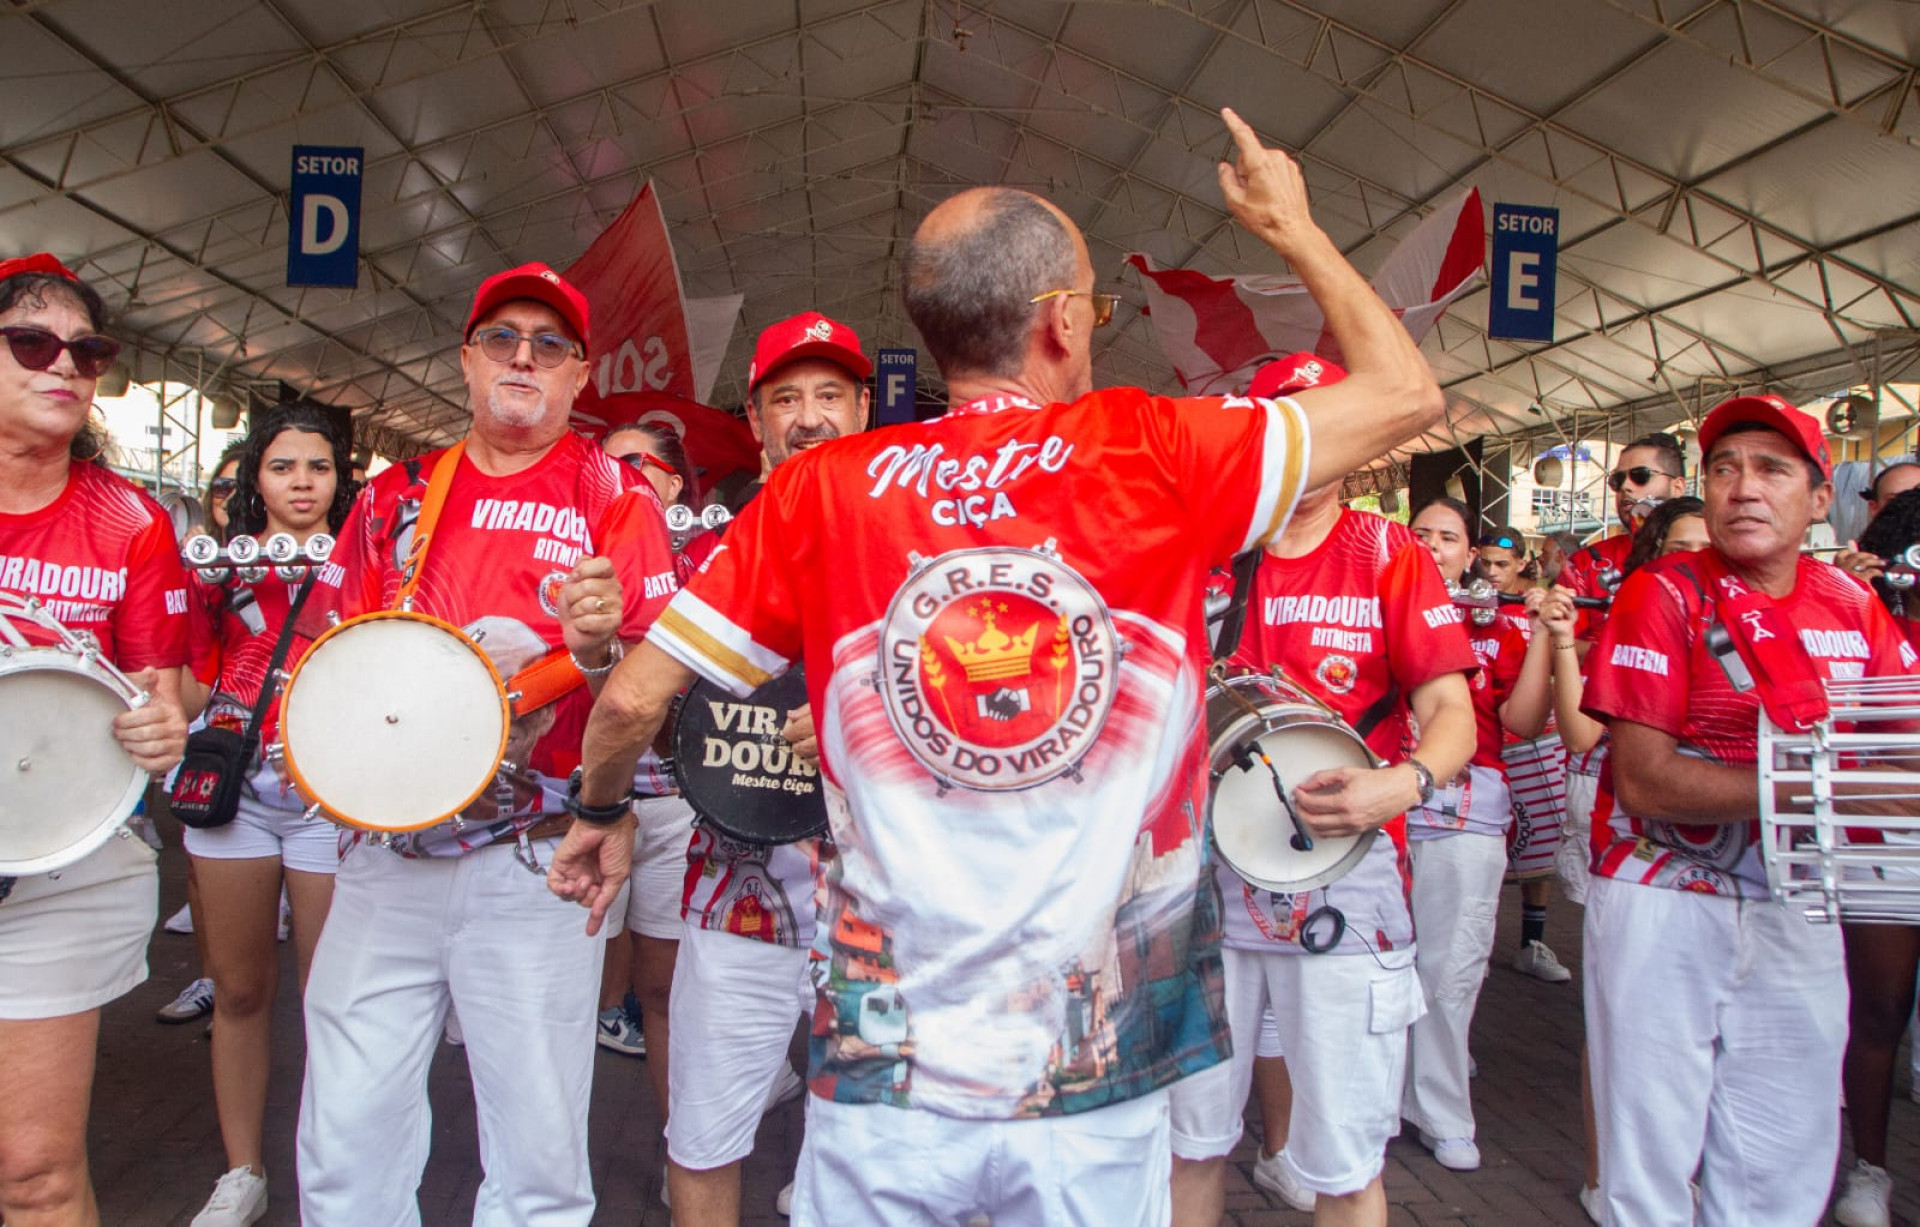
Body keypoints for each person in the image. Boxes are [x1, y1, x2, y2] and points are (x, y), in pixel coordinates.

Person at [549, 107, 1444, 1227]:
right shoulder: (1159, 449)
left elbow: (635, 695)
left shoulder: (822, 492)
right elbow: (1409, 392)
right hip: (1097, 1067)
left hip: (886, 1070)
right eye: (1097, 309)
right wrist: (1294, 228)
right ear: (1063, 320)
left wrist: (596, 809)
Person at [293, 262, 681, 1225]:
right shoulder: (396, 495)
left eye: (550, 344)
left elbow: (655, 692)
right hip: (384, 852)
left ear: (580, 375)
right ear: (465, 360)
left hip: (536, 858)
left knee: (540, 1155)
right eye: (502, 337)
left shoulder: (615, 497)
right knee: (344, 1137)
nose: (523, 357)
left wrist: (594, 658)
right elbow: (324, 659)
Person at [1581, 395, 1917, 1226]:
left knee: (1785, 1149)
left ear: (1817, 494)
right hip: (1666, 892)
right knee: (1650, 1156)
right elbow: (1646, 783)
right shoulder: (1662, 592)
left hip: (1801, 902)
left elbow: (1908, 753)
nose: (1742, 489)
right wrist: (1831, 785)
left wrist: (1853, 786)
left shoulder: (1853, 603)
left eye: (1771, 469)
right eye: (1724, 470)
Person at [1166, 352, 1478, 1227]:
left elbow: (1452, 709)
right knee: (1189, 1142)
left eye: (1325, 422)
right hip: (1206, 884)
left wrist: (1402, 783)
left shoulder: (1388, 553)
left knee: (1343, 1157)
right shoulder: (1207, 553)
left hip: (1351, 876)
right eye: (1286, 425)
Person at [655, 313, 868, 1225]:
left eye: (829, 395)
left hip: (882, 904)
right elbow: (656, 705)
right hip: (735, 895)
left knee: (863, 1147)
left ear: (864, 409)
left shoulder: (917, 549)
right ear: (756, 421)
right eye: (787, 399)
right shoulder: (704, 559)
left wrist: (855, 729)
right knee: (703, 1132)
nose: (809, 417)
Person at [0, 253, 191, 1225]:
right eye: (32, 342)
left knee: (32, 1168)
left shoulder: (128, 522)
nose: (63, 364)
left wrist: (168, 724)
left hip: (60, 860)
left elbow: (174, 688)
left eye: (87, 350)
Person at [1503, 493, 1705, 1221]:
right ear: (1650, 560)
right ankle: (1604, 1171)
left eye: (1705, 546)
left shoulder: (1755, 629)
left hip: (1740, 873)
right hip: (1639, 854)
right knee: (1626, 1023)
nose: (1695, 561)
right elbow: (1583, 736)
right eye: (1678, 547)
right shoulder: (1632, 626)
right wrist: (1559, 642)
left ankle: (1687, 1171)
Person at [176, 402, 354, 1226]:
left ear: (339, 476)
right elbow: (179, 678)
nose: (302, 482)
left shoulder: (365, 564)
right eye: (283, 467)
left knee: (332, 994)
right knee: (241, 989)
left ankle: (334, 1161)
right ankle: (241, 1170)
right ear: (255, 477)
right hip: (236, 797)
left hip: (329, 800)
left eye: (317, 467)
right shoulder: (214, 568)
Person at [1399, 496, 1535, 1173]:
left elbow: (1525, 718)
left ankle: (1441, 1108)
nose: (1430, 544)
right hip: (1377, 807)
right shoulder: (1374, 606)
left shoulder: (1501, 625)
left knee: (1450, 968)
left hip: (1467, 811)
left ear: (1469, 552)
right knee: (1368, 963)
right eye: (1417, 532)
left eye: (1446, 536)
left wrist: (1550, 641)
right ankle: (1373, 1097)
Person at [1829, 483, 1920, 1227]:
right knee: (1879, 1007)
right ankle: (1869, 1168)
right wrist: (1846, 593)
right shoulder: (1860, 617)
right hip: (1883, 842)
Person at [155, 438, 250, 1026]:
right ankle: (211, 975)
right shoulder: (191, 562)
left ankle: (237, 974)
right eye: (221, 485)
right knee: (195, 856)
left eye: (242, 486)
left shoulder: (282, 556)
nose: (229, 496)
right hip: (196, 718)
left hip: (249, 726)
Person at [1475, 525, 1570, 982]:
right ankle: (1477, 939)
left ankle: (1533, 942)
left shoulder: (1541, 602)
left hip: (1536, 740)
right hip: (1486, 741)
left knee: (1541, 847)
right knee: (1486, 850)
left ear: (1522, 564)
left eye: (1502, 564)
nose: (1492, 573)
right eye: (1486, 563)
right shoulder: (1470, 602)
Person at [1558, 431, 1689, 630]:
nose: (1626, 487)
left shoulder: (1708, 558)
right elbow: (1559, 643)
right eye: (1617, 480)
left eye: (1640, 476)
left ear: (1678, 486)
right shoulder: (1584, 564)